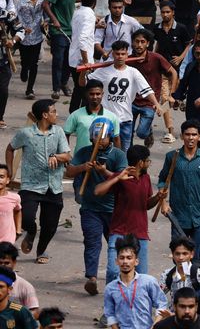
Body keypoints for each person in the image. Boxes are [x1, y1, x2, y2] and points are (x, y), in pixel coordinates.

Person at [66, 118, 128, 295]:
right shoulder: (85, 152)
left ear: (109, 137)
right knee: (92, 242)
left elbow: (122, 178)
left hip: (114, 209)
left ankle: (121, 277)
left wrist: (104, 172)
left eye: (102, 138)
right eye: (95, 138)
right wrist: (82, 168)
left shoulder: (118, 155)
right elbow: (69, 171)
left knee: (116, 246)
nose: (99, 141)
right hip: (90, 208)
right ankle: (91, 278)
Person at [5, 100, 71, 265]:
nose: (57, 114)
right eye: (54, 111)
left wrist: (56, 157)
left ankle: (41, 250)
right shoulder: (26, 134)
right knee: (26, 217)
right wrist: (10, 170)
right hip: (30, 185)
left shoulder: (58, 132)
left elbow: (67, 156)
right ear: (45, 115)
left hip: (53, 187)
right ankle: (32, 232)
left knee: (50, 226)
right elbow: (10, 148)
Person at [95, 145, 166, 286]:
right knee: (113, 272)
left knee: (142, 276)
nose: (148, 164)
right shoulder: (122, 176)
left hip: (140, 234)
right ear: (140, 162)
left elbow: (146, 205)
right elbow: (98, 191)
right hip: (119, 232)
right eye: (147, 161)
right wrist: (117, 178)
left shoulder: (145, 179)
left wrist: (158, 197)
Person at [157, 120, 200, 259]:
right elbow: (162, 180)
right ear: (182, 136)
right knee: (179, 257)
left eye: (194, 134)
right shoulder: (172, 157)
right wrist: (163, 202)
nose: (191, 138)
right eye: (187, 134)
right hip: (177, 216)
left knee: (195, 257)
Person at [83, 40, 162, 151]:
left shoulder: (133, 72)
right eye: (117, 54)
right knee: (100, 150)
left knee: (123, 152)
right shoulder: (103, 71)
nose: (120, 57)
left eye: (123, 54)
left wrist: (156, 104)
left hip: (125, 119)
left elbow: (146, 90)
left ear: (127, 54)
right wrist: (84, 71)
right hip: (106, 119)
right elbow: (83, 83)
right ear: (112, 54)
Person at [103, 234, 169, 328]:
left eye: (129, 258)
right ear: (116, 261)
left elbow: (161, 303)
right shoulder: (110, 288)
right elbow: (110, 314)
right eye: (122, 258)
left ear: (136, 261)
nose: (125, 261)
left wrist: (154, 325)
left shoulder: (148, 282)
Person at [42, 0, 78, 100]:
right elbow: (45, 4)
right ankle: (56, 88)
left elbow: (72, 0)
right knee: (58, 60)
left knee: (69, 61)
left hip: (71, 31)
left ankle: (64, 83)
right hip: (59, 31)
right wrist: (54, 20)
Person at [64, 80, 122, 153]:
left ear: (102, 94)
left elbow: (116, 139)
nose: (95, 97)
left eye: (98, 94)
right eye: (91, 94)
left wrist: (118, 158)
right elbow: (66, 135)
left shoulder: (112, 117)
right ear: (86, 94)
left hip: (104, 161)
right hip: (81, 161)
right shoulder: (76, 115)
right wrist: (66, 153)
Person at [15, 0, 46, 100]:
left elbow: (47, 15)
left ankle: (29, 90)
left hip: (37, 37)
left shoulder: (42, 2)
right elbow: (16, 19)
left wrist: (46, 23)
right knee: (25, 61)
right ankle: (23, 69)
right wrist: (22, 27)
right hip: (24, 38)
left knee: (34, 63)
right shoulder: (21, 2)